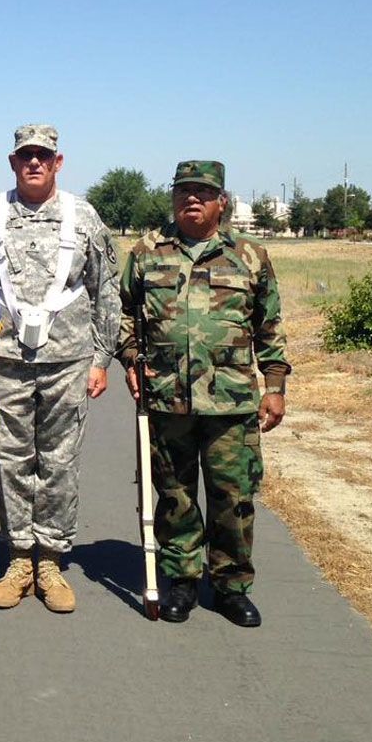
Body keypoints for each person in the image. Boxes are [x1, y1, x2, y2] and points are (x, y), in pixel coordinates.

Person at [118, 160, 290, 626]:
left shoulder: (250, 255)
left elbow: (269, 327)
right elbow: (125, 315)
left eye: (202, 192)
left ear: (222, 201)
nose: (190, 199)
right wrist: (132, 359)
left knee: (233, 497)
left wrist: (274, 387)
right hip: (166, 397)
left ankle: (231, 585)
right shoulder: (147, 252)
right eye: (182, 191)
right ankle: (182, 580)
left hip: (231, 400)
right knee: (175, 495)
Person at [0, 125, 121, 613]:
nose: (35, 163)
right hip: (5, 359)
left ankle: (51, 561)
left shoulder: (83, 216)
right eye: (26, 156)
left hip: (68, 359)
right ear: (13, 162)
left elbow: (106, 288)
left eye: (43, 155)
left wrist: (102, 358)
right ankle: (20, 557)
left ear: (58, 162)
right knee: (12, 460)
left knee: (59, 462)